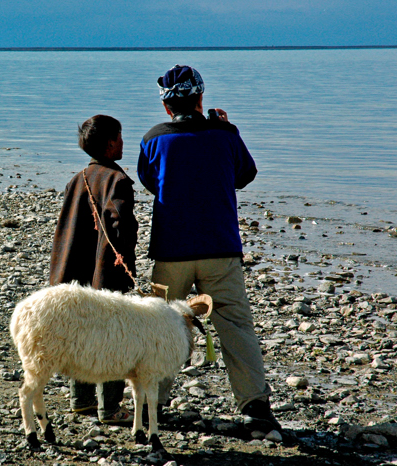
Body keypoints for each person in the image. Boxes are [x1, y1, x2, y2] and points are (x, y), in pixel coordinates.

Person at [137, 65, 282, 434]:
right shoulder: (224, 135)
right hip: (220, 246)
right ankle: (255, 408)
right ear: (200, 99)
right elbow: (244, 175)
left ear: (167, 107)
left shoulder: (153, 139)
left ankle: (153, 402)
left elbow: (151, 181)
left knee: (164, 325)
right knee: (234, 325)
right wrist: (227, 128)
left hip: (171, 250)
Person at [50, 114, 138, 424]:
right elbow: (121, 225)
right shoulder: (118, 180)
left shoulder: (77, 179)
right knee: (111, 338)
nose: (124, 142)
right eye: (121, 136)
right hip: (105, 274)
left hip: (74, 271)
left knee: (81, 334)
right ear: (111, 142)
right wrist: (127, 261)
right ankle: (110, 408)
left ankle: (81, 400)